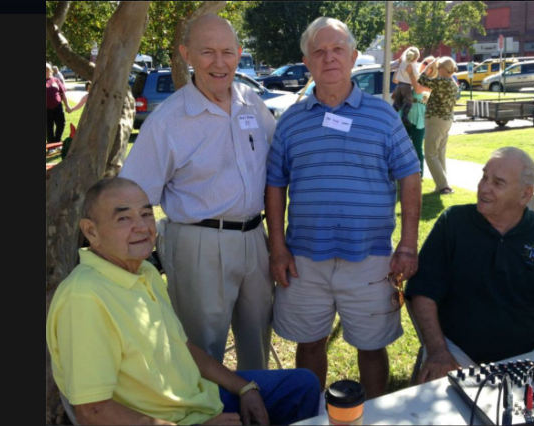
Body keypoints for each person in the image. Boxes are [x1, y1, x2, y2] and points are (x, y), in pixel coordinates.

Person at [46, 177, 320, 425]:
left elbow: (181, 346)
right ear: (91, 232)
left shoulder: (144, 271)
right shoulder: (84, 298)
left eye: (145, 213)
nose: (142, 227)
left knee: (303, 385)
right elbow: (92, 411)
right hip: (176, 419)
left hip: (198, 401)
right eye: (123, 219)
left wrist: (244, 387)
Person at [265, 17, 422, 399]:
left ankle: (373, 416)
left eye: (338, 50)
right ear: (307, 61)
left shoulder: (383, 116)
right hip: (304, 259)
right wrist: (278, 248)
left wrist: (407, 244)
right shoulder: (290, 122)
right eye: (319, 51)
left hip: (369, 257)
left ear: (353, 57)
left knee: (371, 346)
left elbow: (411, 176)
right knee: (310, 343)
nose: (329, 58)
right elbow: (274, 185)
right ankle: (312, 414)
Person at [119, 14, 276, 371]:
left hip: (255, 238)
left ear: (239, 54)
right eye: (207, 52)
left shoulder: (251, 101)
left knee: (258, 342)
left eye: (227, 52)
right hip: (198, 243)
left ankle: (255, 410)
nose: (219, 63)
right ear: (186, 54)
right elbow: (134, 195)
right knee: (202, 351)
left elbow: (279, 161)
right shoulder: (168, 120)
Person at [405, 147, 534, 384]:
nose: (483, 187)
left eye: (498, 183)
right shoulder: (454, 223)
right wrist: (437, 350)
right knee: (440, 396)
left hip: (533, 344)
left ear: (525, 195)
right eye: (484, 177)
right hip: (457, 348)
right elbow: (423, 292)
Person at [417, 56, 459, 195]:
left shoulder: (442, 81)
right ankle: (441, 185)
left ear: (442, 69)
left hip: (436, 119)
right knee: (440, 153)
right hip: (446, 120)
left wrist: (430, 65)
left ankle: (444, 186)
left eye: (438, 67)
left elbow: (421, 80)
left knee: (430, 154)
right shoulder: (453, 83)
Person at [401, 55, 436, 178]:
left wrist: (410, 74)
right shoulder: (417, 75)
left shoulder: (432, 81)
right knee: (402, 145)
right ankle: (403, 172)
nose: (426, 66)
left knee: (416, 146)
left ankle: (419, 174)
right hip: (407, 112)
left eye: (430, 65)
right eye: (425, 62)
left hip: (419, 116)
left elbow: (418, 89)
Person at [392, 46, 421, 126]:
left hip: (399, 85)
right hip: (407, 86)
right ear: (416, 57)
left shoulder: (402, 63)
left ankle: (390, 116)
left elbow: (395, 70)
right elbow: (416, 76)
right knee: (408, 102)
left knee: (397, 103)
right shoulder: (413, 65)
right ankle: (404, 117)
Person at [46, 62, 70, 143]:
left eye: (47, 70)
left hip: (58, 106)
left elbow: (63, 94)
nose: (46, 71)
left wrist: (67, 106)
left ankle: (57, 141)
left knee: (61, 124)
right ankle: (51, 144)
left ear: (50, 71)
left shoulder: (56, 80)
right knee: (49, 127)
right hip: (46, 109)